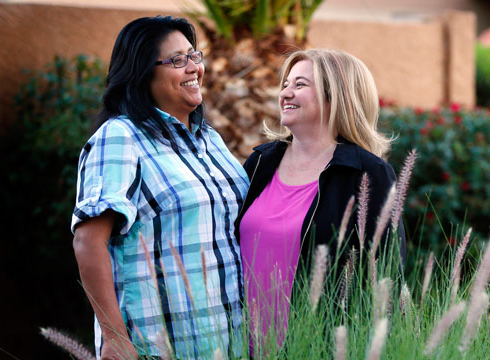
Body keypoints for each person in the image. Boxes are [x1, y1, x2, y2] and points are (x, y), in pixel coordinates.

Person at [71, 16, 249, 359]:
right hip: (162, 346)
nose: (193, 68)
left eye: (194, 56)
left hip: (230, 343)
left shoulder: (210, 140)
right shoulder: (121, 137)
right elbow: (88, 240)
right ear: (142, 73)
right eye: (177, 60)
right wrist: (115, 338)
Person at [235, 49, 405, 348]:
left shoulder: (369, 174)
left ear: (336, 96)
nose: (285, 92)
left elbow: (385, 277)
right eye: (286, 84)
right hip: (238, 346)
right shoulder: (260, 162)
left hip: (315, 347)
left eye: (300, 85)